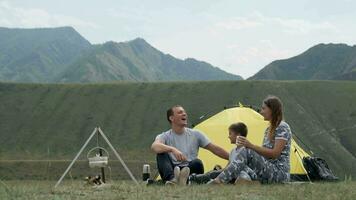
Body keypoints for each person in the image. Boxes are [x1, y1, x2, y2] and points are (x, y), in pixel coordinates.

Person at [211, 95, 292, 184]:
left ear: (272, 110)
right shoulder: (268, 129)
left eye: (264, 109)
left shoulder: (282, 127)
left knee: (247, 151)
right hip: (267, 170)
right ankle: (207, 178)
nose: (261, 112)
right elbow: (264, 156)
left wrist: (251, 146)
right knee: (238, 166)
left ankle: (219, 181)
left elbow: (274, 154)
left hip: (279, 174)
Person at [151, 105, 229, 185]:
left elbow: (215, 149)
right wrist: (172, 149)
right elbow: (154, 146)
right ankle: (172, 179)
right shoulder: (165, 136)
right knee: (161, 154)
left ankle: (184, 179)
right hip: (173, 169)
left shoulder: (196, 134)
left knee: (197, 162)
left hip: (190, 168)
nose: (184, 114)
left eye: (184, 112)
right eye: (180, 112)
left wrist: (232, 158)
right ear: (171, 118)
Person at [189, 122, 257, 184]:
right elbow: (228, 167)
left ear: (238, 135)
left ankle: (194, 179)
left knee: (216, 173)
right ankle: (194, 178)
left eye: (230, 133)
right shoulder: (233, 151)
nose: (229, 136)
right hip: (231, 175)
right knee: (214, 173)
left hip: (243, 175)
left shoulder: (247, 151)